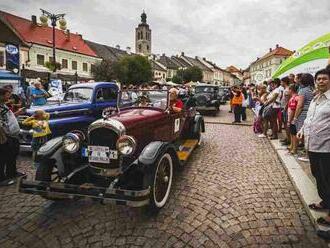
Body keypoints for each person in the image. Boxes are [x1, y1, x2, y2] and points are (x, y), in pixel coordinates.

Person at [296, 69, 330, 231]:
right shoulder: (316, 98)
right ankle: (325, 201)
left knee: (328, 179)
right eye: (318, 79)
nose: (321, 81)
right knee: (318, 176)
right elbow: (310, 118)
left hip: (326, 148)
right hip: (313, 145)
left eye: (324, 79)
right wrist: (302, 129)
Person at [0, 88, 23, 186]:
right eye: (7, 94)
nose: (9, 97)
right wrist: (3, 137)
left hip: (12, 136)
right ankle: (1, 179)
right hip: (5, 136)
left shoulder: (3, 105)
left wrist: (17, 113)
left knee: (12, 155)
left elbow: (7, 118)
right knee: (2, 158)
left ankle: (12, 173)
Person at [293, 73, 314, 161]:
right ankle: (308, 153)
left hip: (303, 114)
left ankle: (307, 155)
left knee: (303, 134)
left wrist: (295, 117)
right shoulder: (311, 89)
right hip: (310, 112)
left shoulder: (303, 90)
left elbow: (300, 105)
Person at [287, 84, 299, 155]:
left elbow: (292, 110)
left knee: (294, 134)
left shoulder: (294, 98)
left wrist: (289, 120)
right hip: (292, 118)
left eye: (289, 89)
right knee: (292, 133)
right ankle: (292, 145)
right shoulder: (294, 97)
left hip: (292, 118)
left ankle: (294, 149)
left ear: (291, 90)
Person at [280, 77, 291, 146]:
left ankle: (289, 139)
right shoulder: (285, 89)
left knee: (286, 125)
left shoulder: (287, 90)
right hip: (284, 108)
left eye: (281, 82)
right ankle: (287, 138)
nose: (281, 83)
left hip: (285, 109)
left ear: (284, 82)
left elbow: (288, 100)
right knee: (285, 124)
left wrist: (285, 108)